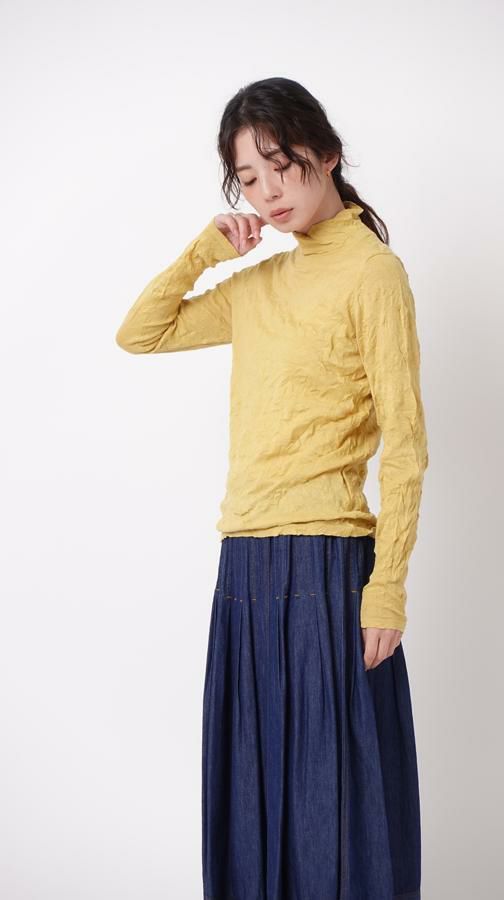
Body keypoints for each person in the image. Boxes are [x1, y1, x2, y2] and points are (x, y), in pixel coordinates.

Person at [115, 76, 428, 900]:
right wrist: (206, 251)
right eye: (248, 178)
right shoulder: (260, 285)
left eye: (281, 165)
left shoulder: (372, 274)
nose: (267, 191)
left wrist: (388, 587)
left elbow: (406, 443)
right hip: (247, 565)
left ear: (327, 155)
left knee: (338, 803)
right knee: (253, 795)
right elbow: (140, 333)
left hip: (330, 564)